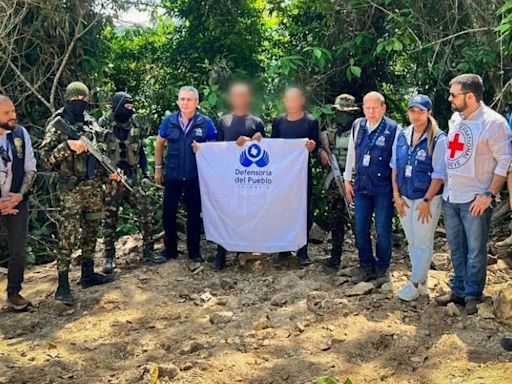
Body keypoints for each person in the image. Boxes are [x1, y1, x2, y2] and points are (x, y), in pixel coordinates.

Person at [435, 74, 512, 315]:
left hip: (476, 197)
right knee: (456, 248)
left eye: (454, 94)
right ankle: (458, 290)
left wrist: (489, 193)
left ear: (470, 96)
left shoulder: (494, 123)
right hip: (452, 196)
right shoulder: (456, 118)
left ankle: (472, 294)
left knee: (476, 249)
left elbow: (505, 161)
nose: (450, 98)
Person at [40, 82, 120, 305]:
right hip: (71, 190)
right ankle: (63, 284)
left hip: (93, 188)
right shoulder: (58, 123)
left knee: (92, 229)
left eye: (83, 100)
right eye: (75, 100)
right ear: (67, 100)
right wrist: (67, 146)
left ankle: (87, 273)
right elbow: (45, 160)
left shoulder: (90, 122)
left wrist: (110, 174)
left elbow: (99, 154)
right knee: (68, 235)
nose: (80, 103)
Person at [99, 92, 166, 273]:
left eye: (132, 106)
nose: (131, 109)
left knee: (146, 212)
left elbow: (141, 150)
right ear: (117, 105)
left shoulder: (135, 123)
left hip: (132, 176)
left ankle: (149, 251)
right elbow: (97, 153)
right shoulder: (103, 125)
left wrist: (146, 172)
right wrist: (106, 174)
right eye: (127, 105)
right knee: (109, 219)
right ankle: (109, 256)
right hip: (111, 178)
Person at [391, 95, 446, 301]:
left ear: (429, 113)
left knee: (422, 241)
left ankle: (414, 283)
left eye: (420, 111)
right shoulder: (403, 135)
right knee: (413, 241)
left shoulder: (438, 139)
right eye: (412, 111)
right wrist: (396, 196)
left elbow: (439, 174)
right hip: (404, 197)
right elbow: (394, 168)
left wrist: (426, 201)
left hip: (427, 200)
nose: (415, 115)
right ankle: (422, 282)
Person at [155, 86, 217, 263]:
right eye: (182, 99)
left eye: (189, 99)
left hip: (195, 176)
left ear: (197, 102)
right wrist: (158, 168)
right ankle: (170, 250)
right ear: (177, 101)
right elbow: (159, 143)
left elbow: (215, 149)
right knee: (168, 213)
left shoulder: (205, 123)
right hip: (173, 175)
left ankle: (194, 251)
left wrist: (203, 148)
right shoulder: (169, 121)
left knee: (194, 214)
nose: (185, 103)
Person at [343, 91, 400, 285]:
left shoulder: (393, 129)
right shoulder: (358, 125)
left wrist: (396, 190)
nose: (371, 111)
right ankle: (366, 264)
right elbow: (352, 152)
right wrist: (347, 179)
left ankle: (383, 267)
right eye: (367, 107)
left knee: (383, 229)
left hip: (383, 188)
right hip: (361, 186)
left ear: (383, 108)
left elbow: (396, 161)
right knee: (360, 228)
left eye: (375, 107)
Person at [210, 82, 265, 270]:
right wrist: (201, 150)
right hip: (228, 176)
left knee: (248, 212)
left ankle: (246, 251)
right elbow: (217, 149)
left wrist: (256, 139)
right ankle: (221, 253)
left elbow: (265, 149)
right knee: (226, 212)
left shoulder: (257, 122)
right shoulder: (223, 121)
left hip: (249, 178)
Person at [271, 87, 318, 265]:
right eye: (288, 99)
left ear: (302, 100)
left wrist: (313, 147)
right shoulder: (278, 122)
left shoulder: (311, 122)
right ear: (284, 101)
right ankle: (283, 248)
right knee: (282, 209)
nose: (291, 102)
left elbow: (317, 147)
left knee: (304, 210)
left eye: (295, 98)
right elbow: (274, 147)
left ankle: (302, 249)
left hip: (302, 174)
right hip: (282, 176)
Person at [0, 95, 37, 311]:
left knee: (19, 250)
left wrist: (20, 195)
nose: (13, 116)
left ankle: (14, 293)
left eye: (13, 111)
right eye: (6, 113)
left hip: (16, 199)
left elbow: (30, 168)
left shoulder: (20, 134)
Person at [319, 94, 360, 270]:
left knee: (358, 219)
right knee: (335, 219)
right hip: (335, 180)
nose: (342, 116)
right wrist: (322, 151)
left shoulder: (360, 130)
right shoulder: (330, 129)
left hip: (355, 180)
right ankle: (335, 257)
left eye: (346, 112)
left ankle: (364, 258)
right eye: (339, 112)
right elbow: (321, 147)